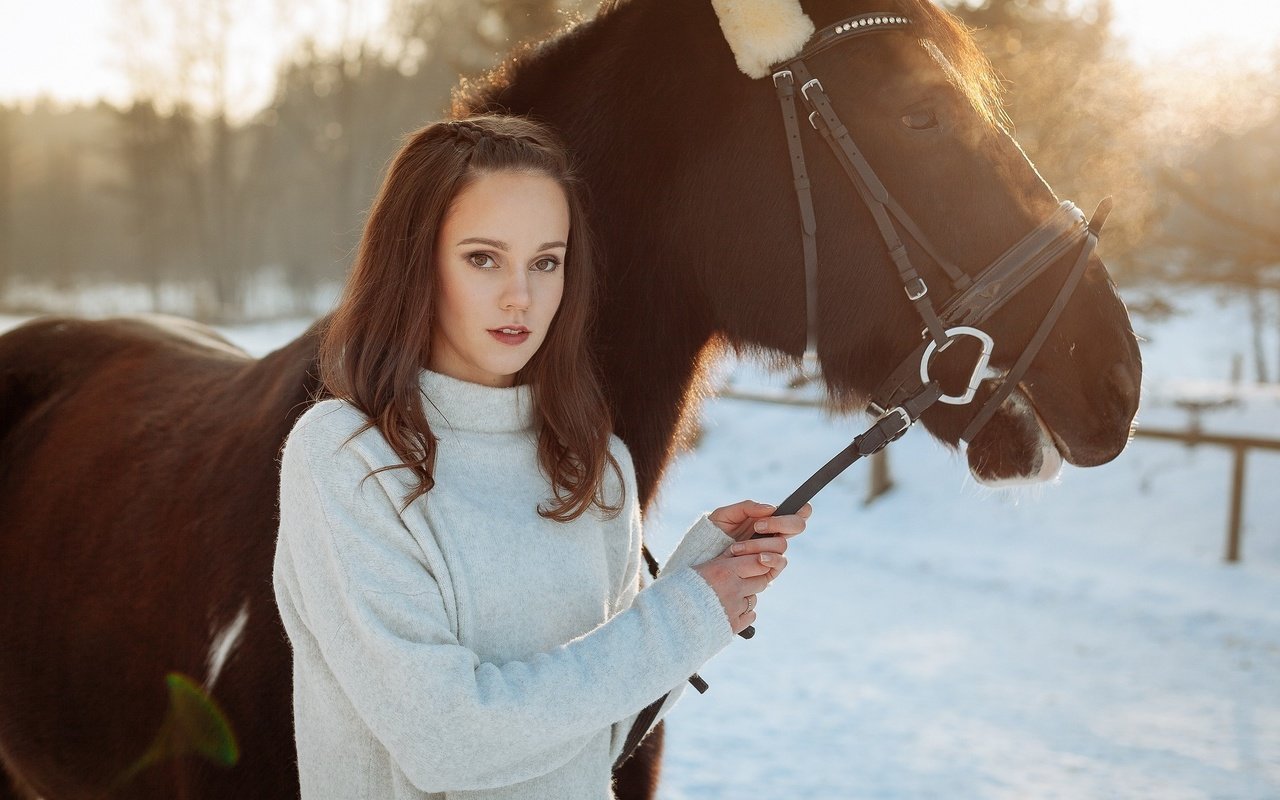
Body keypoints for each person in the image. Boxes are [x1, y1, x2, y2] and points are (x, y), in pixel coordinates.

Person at [271, 114, 812, 799]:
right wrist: (681, 616)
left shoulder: (593, 465)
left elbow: (596, 735)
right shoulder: (344, 459)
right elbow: (447, 743)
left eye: (545, 261)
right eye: (483, 258)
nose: (520, 296)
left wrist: (697, 583)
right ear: (415, 261)